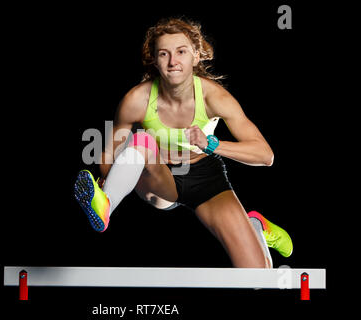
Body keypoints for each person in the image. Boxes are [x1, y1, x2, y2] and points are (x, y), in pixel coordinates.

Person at [74, 17, 292, 268]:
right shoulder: (137, 99)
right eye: (164, 54)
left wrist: (211, 144)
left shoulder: (214, 96)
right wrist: (106, 181)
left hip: (206, 179)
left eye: (181, 52)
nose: (172, 61)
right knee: (142, 140)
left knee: (257, 276)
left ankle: (255, 225)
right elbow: (108, 156)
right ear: (155, 60)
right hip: (159, 177)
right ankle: (106, 205)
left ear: (196, 56)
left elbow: (265, 155)